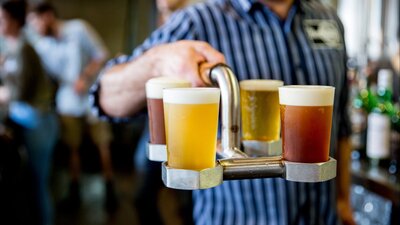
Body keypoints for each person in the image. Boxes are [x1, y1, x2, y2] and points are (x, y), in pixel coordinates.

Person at [91, 0, 355, 224]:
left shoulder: (329, 19)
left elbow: (341, 123)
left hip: (323, 215)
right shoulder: (198, 21)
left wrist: (343, 199)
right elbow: (104, 95)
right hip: (235, 216)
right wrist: (156, 62)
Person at [29, 2, 117, 212]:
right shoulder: (43, 46)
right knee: (72, 146)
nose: (35, 28)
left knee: (102, 144)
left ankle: (110, 190)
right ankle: (75, 191)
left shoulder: (78, 28)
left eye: (37, 22)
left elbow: (100, 54)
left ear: (48, 16)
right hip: (67, 100)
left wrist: (85, 77)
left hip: (93, 95)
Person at [0, 1, 58, 224]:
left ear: (14, 21)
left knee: (39, 184)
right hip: (26, 121)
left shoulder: (25, 47)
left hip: (39, 122)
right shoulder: (12, 47)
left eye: (2, 19)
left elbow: (21, 92)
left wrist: (3, 91)